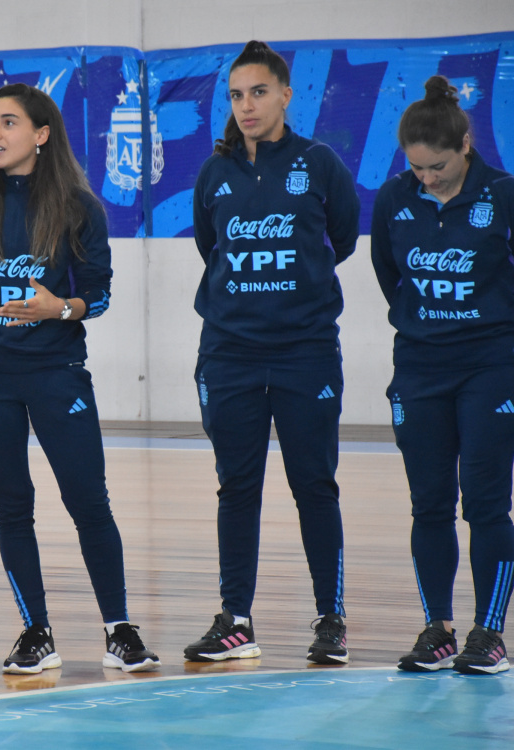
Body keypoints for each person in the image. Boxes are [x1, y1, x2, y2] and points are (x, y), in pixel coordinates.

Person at [0, 83, 159, 675]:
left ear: (41, 134)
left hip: (57, 374)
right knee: (13, 509)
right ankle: (35, 632)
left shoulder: (79, 206)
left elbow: (99, 294)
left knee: (89, 502)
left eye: (9, 122)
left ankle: (120, 630)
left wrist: (61, 308)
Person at [185, 40, 360, 665]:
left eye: (258, 92)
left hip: (305, 353)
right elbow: (211, 247)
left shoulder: (319, 164)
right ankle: (236, 619)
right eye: (236, 95)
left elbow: (341, 239)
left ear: (286, 95)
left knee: (314, 484)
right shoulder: (214, 173)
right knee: (237, 486)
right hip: (229, 353)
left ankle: (331, 619)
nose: (246, 105)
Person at [371, 75, 514, 675]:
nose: (427, 178)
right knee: (429, 504)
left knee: (485, 503)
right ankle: (439, 629)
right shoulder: (394, 198)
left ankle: (490, 632)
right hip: (420, 366)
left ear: (465, 146)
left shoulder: (503, 195)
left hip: (491, 367)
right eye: (417, 167)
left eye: (438, 167)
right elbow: (389, 274)